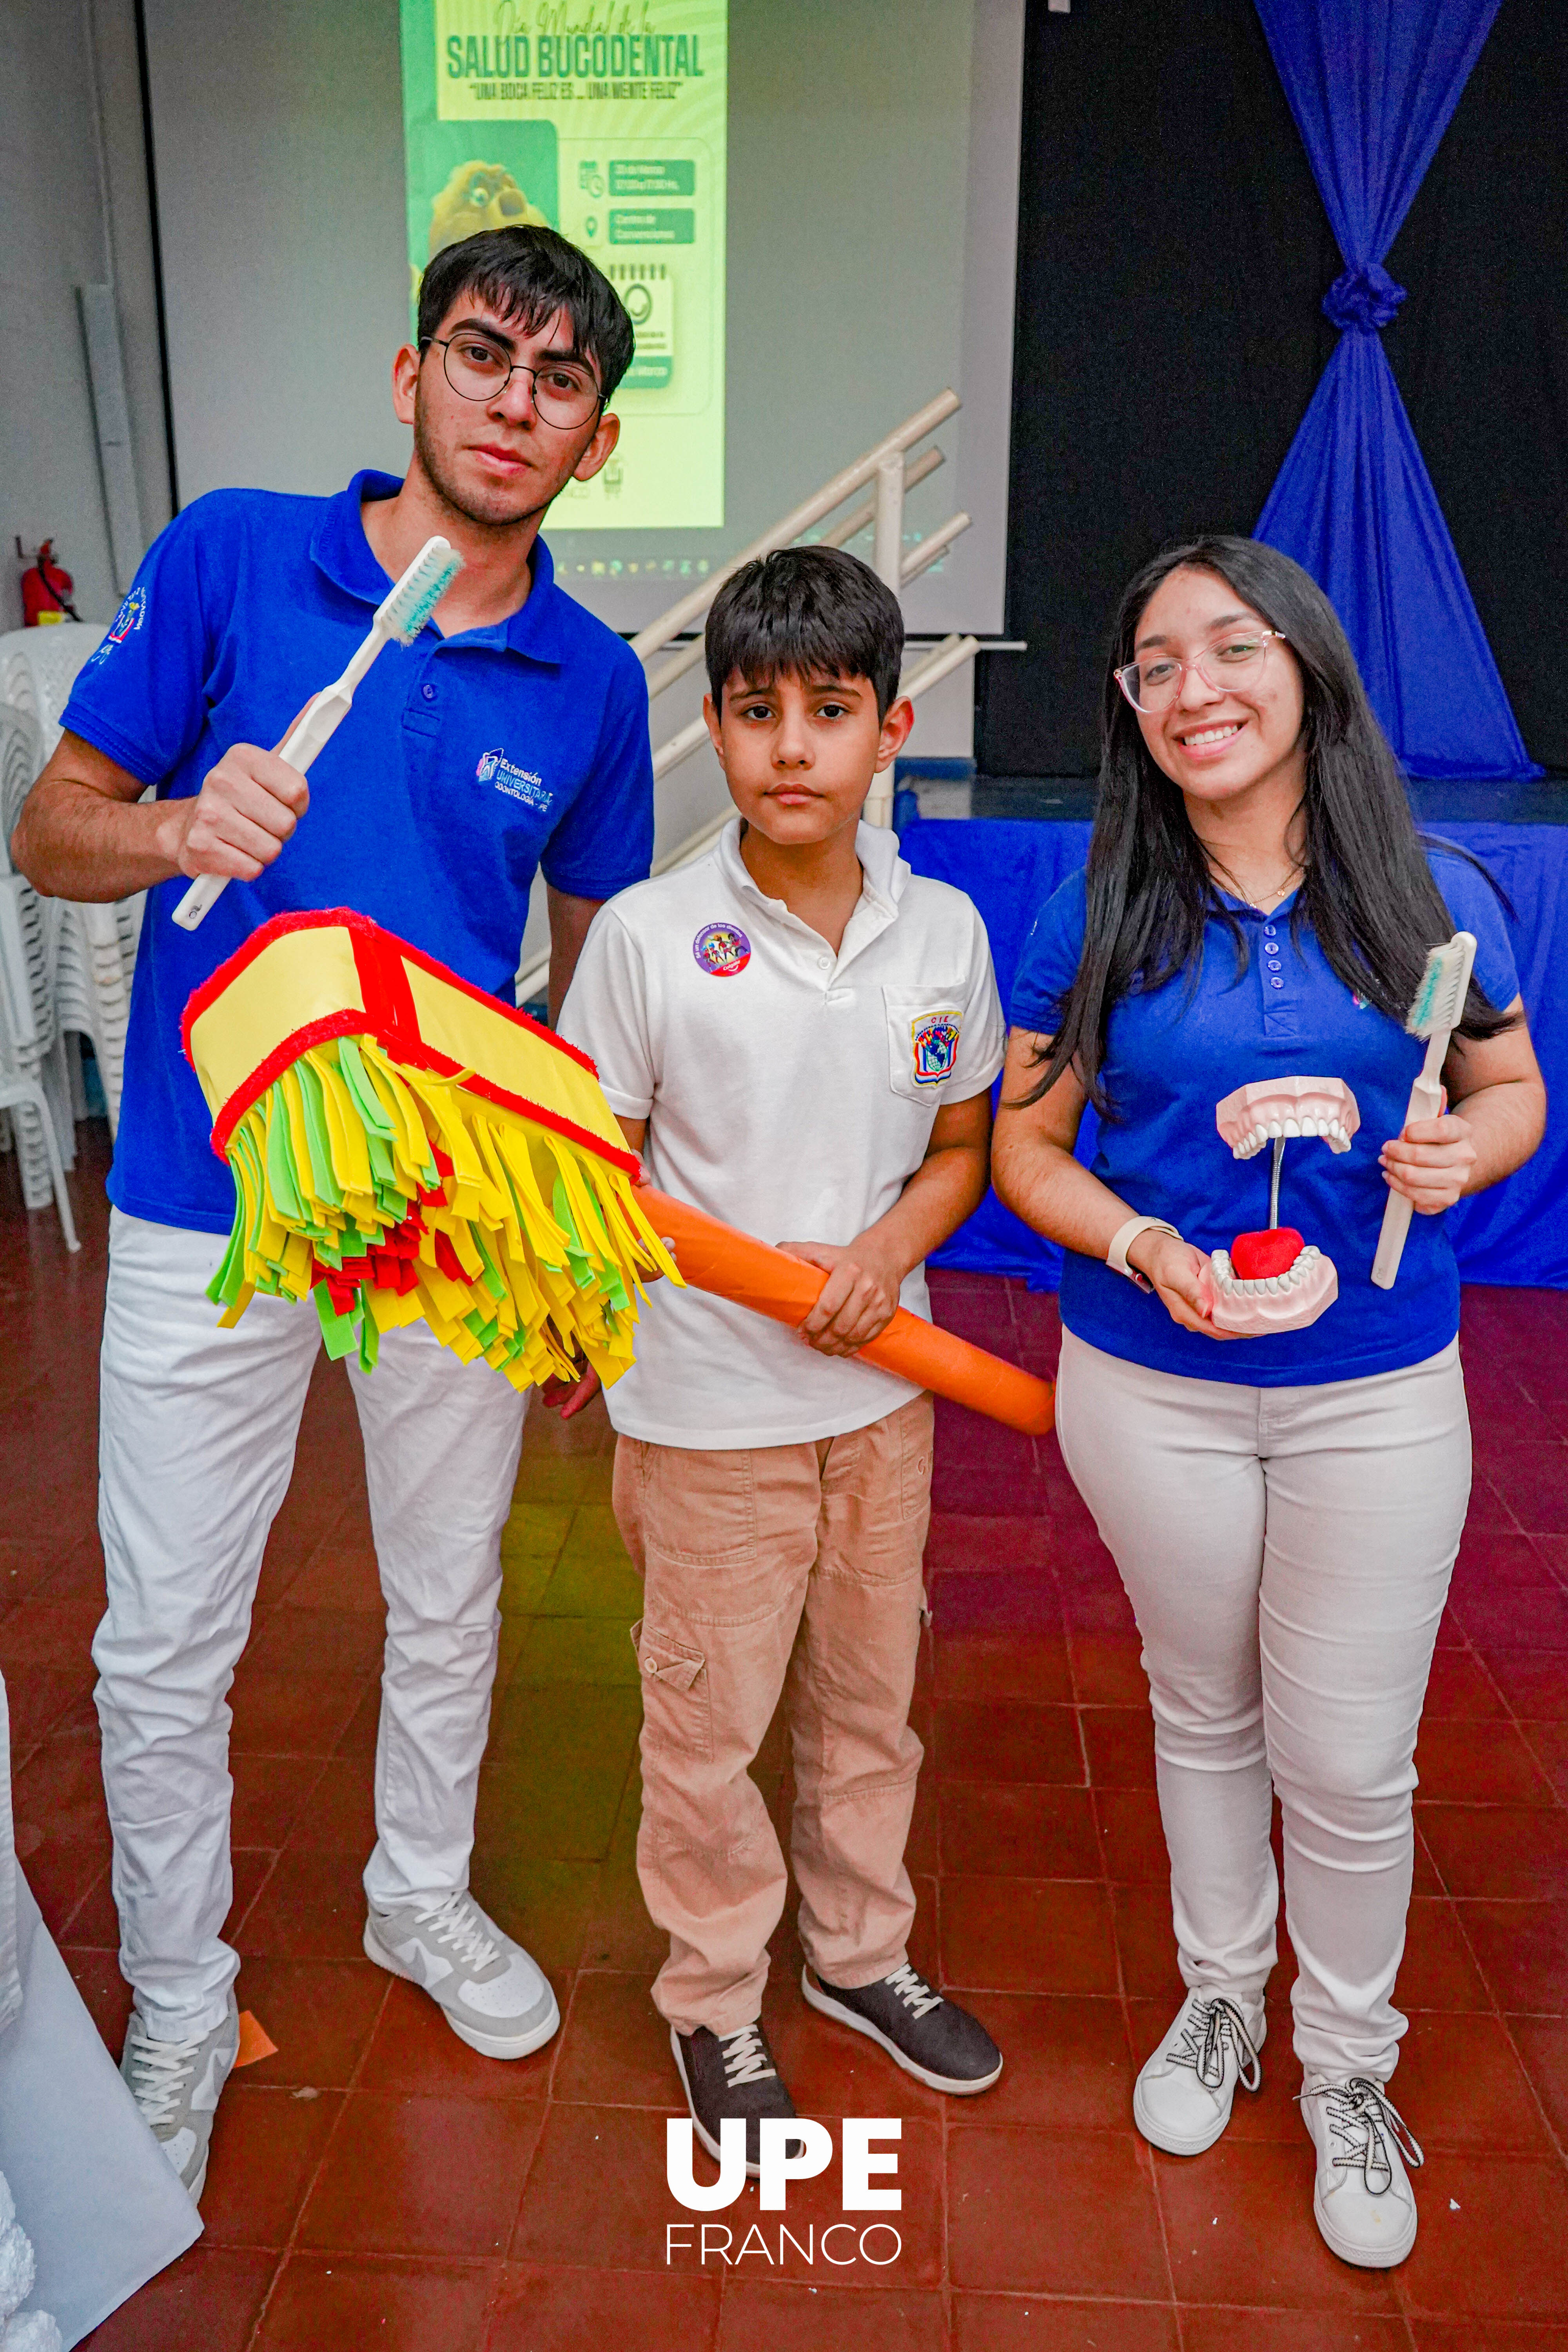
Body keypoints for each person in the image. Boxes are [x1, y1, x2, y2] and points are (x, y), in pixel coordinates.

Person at [10, 226, 652, 2200]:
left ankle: (417, 1895)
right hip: (211, 1196)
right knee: (166, 1634)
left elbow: (596, 975)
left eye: (556, 381)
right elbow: (52, 827)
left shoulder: (596, 678)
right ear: (411, 375)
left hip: (445, 1222)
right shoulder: (228, 557)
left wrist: (570, 1235)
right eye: (484, 355)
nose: (512, 400)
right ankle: (186, 1994)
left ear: (596, 440)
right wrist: (174, 827)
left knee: (451, 1599)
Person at [992, 537, 1546, 2269]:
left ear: (1305, 670)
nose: (1192, 688)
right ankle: (1222, 2000)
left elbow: (1511, 1083)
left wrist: (1472, 1144)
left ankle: (1348, 2066)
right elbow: (1019, 1141)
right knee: (1201, 1707)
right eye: (1153, 664)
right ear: (1128, 710)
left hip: (1373, 1393)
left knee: (1346, 1758)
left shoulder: (1434, 890)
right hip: (1146, 1386)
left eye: (1230, 649)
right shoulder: (1095, 901)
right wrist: (1143, 1239)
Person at [553, 547, 1007, 2165]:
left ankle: (860, 1959)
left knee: (870, 1711)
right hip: (708, 1422)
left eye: (830, 711)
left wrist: (885, 1257)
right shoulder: (649, 939)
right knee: (705, 1730)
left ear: (891, 726)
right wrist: (610, 1324)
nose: (793, 748)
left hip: (888, 1402)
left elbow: (959, 1148)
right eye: (759, 714)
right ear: (716, 727)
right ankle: (716, 1999)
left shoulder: (944, 930)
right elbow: (592, 1181)